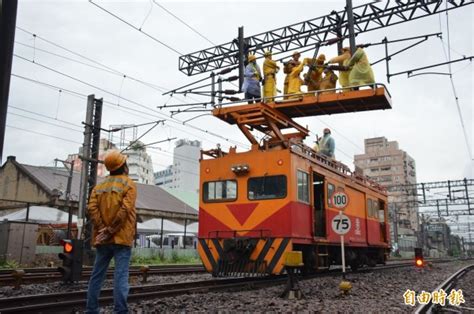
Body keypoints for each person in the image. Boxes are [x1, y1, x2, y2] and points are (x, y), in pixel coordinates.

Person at [86, 150, 137, 314]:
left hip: (103, 239)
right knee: (120, 275)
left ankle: (91, 309)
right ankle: (120, 310)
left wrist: (103, 229)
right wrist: (110, 230)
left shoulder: (98, 187)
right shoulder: (129, 184)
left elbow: (92, 209)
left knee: (97, 275)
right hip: (121, 239)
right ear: (123, 165)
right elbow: (125, 210)